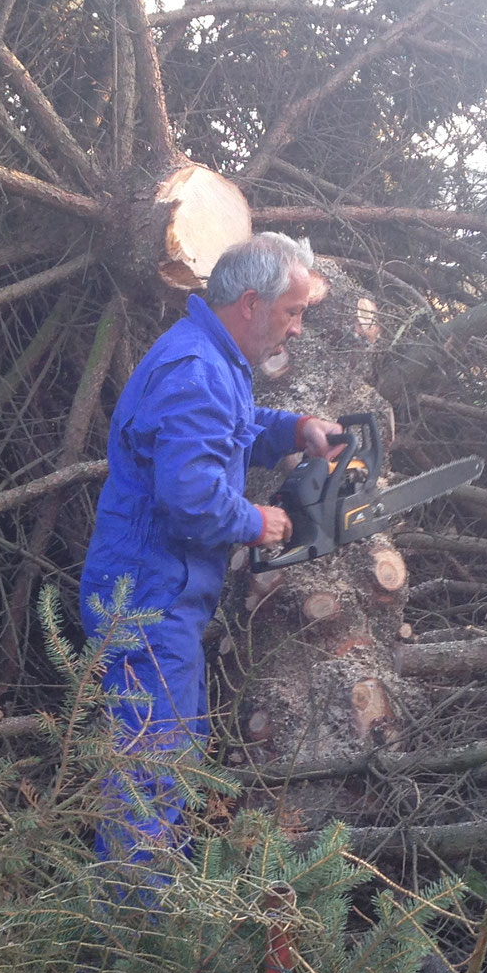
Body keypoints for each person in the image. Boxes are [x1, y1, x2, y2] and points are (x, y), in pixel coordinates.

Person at [79, 232, 344, 866]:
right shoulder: (197, 370)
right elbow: (190, 495)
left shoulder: (213, 358)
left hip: (163, 597)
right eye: (293, 312)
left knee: (173, 757)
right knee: (150, 773)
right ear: (252, 303)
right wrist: (258, 521)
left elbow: (234, 429)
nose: (298, 329)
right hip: (145, 601)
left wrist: (294, 428)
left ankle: (162, 910)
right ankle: (133, 937)